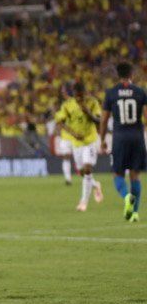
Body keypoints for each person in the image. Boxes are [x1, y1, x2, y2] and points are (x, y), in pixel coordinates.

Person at [99, 62, 147, 222]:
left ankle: (126, 196)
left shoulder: (111, 93)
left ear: (117, 75)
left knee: (117, 174)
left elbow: (104, 120)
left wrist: (102, 139)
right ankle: (135, 214)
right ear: (131, 74)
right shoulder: (140, 92)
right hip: (137, 137)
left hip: (119, 138)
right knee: (135, 176)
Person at [54, 82, 103, 211]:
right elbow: (59, 122)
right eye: (77, 96)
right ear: (73, 94)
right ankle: (95, 185)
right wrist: (73, 133)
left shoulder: (92, 102)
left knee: (87, 169)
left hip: (90, 140)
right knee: (81, 172)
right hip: (76, 143)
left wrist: (88, 112)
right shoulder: (67, 105)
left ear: (85, 93)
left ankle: (83, 202)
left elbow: (99, 121)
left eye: (81, 95)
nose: (79, 98)